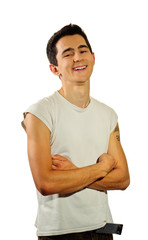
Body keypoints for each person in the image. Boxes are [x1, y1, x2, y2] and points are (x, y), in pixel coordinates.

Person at [22, 24, 130, 240]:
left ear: (93, 58)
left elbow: (123, 179)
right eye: (68, 54)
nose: (78, 58)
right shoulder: (39, 113)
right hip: (60, 232)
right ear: (55, 68)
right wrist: (103, 167)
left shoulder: (108, 114)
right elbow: (46, 183)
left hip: (103, 228)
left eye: (82, 51)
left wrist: (74, 171)